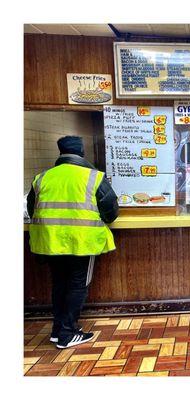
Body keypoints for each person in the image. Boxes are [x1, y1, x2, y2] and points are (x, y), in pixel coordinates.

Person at [27, 136, 119, 349]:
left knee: (59, 283)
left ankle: (58, 330)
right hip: (81, 241)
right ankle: (68, 333)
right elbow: (111, 211)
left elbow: (31, 209)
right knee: (78, 285)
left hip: (50, 240)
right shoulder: (92, 177)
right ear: (81, 153)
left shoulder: (42, 177)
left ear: (60, 153)